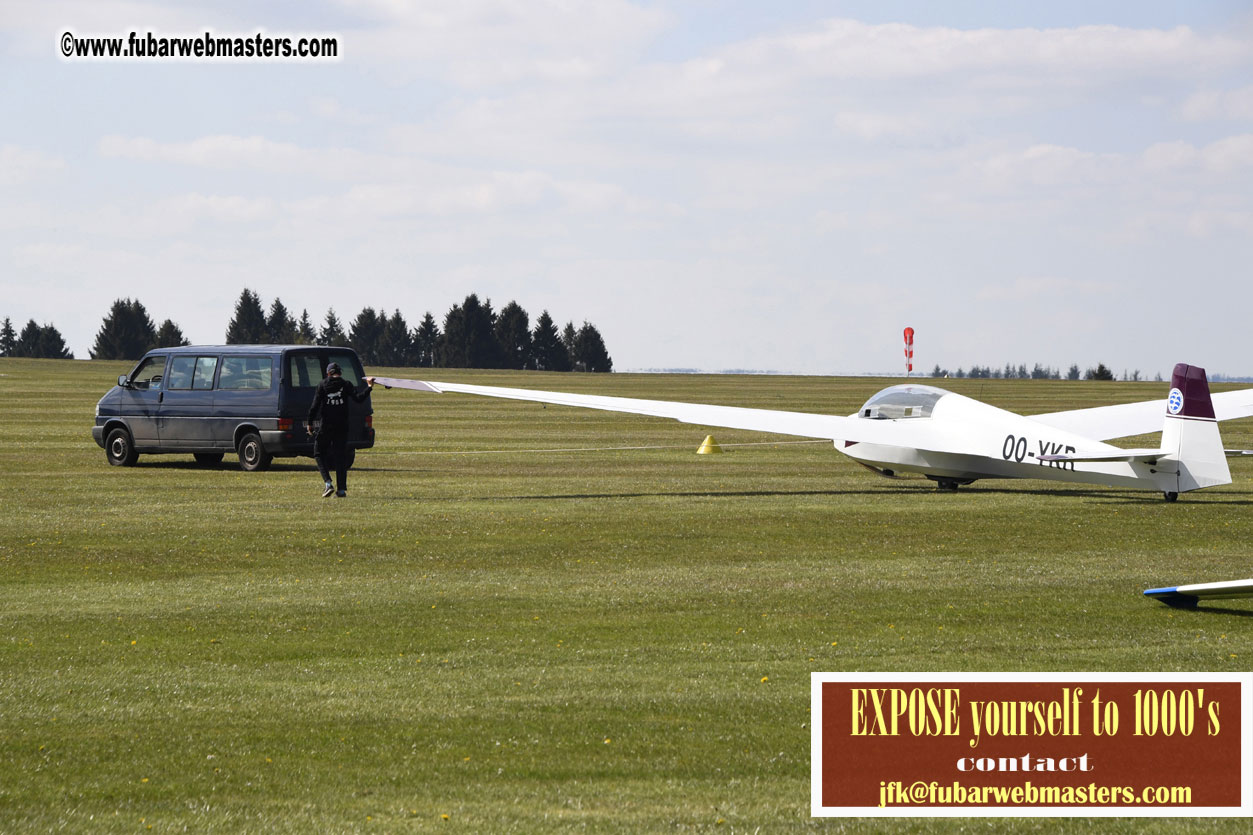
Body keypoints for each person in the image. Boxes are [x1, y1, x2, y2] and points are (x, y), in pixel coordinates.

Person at [306, 362, 375, 497]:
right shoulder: (346, 384)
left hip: (326, 425)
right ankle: (341, 490)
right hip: (342, 426)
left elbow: (314, 406)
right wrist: (369, 387)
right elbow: (359, 399)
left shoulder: (322, 385)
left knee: (318, 453)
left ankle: (328, 483)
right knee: (340, 457)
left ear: (328, 373)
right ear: (340, 373)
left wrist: (310, 423)